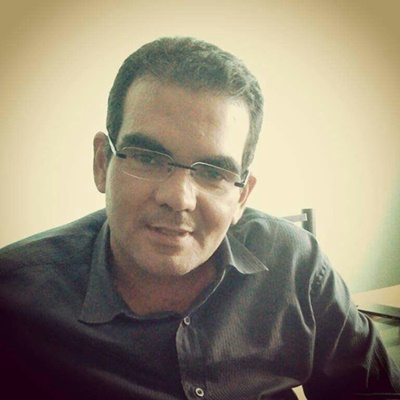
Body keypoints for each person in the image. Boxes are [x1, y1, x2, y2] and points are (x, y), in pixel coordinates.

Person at [0, 37, 399, 400]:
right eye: (148, 158)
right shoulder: (16, 300)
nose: (178, 198)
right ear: (102, 163)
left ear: (241, 196)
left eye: (213, 172)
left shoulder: (296, 266)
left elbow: (376, 391)